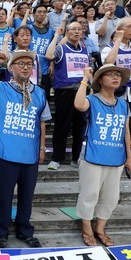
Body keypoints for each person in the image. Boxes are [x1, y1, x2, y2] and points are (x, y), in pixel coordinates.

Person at [0, 50, 50, 250]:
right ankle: (2, 232)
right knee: (4, 195)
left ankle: (25, 230)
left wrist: (42, 148)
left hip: (30, 154)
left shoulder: (40, 92)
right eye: (20, 63)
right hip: (6, 153)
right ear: (11, 68)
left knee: (27, 196)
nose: (25, 67)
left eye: (28, 64)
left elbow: (42, 122)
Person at [74, 64, 131, 247]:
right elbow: (78, 104)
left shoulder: (123, 104)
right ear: (100, 80)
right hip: (93, 155)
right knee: (89, 193)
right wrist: (85, 78)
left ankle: (100, 228)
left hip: (116, 157)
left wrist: (129, 158)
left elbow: (126, 132)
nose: (115, 77)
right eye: (110, 75)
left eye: (118, 75)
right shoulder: (92, 100)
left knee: (111, 196)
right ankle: (86, 228)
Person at [45, 19, 88, 169]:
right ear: (67, 32)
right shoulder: (61, 49)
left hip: (82, 92)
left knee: (80, 126)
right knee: (62, 125)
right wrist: (56, 36)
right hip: (65, 92)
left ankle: (76, 158)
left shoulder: (85, 49)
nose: (77, 31)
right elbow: (49, 56)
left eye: (79, 29)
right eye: (73, 29)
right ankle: (56, 158)